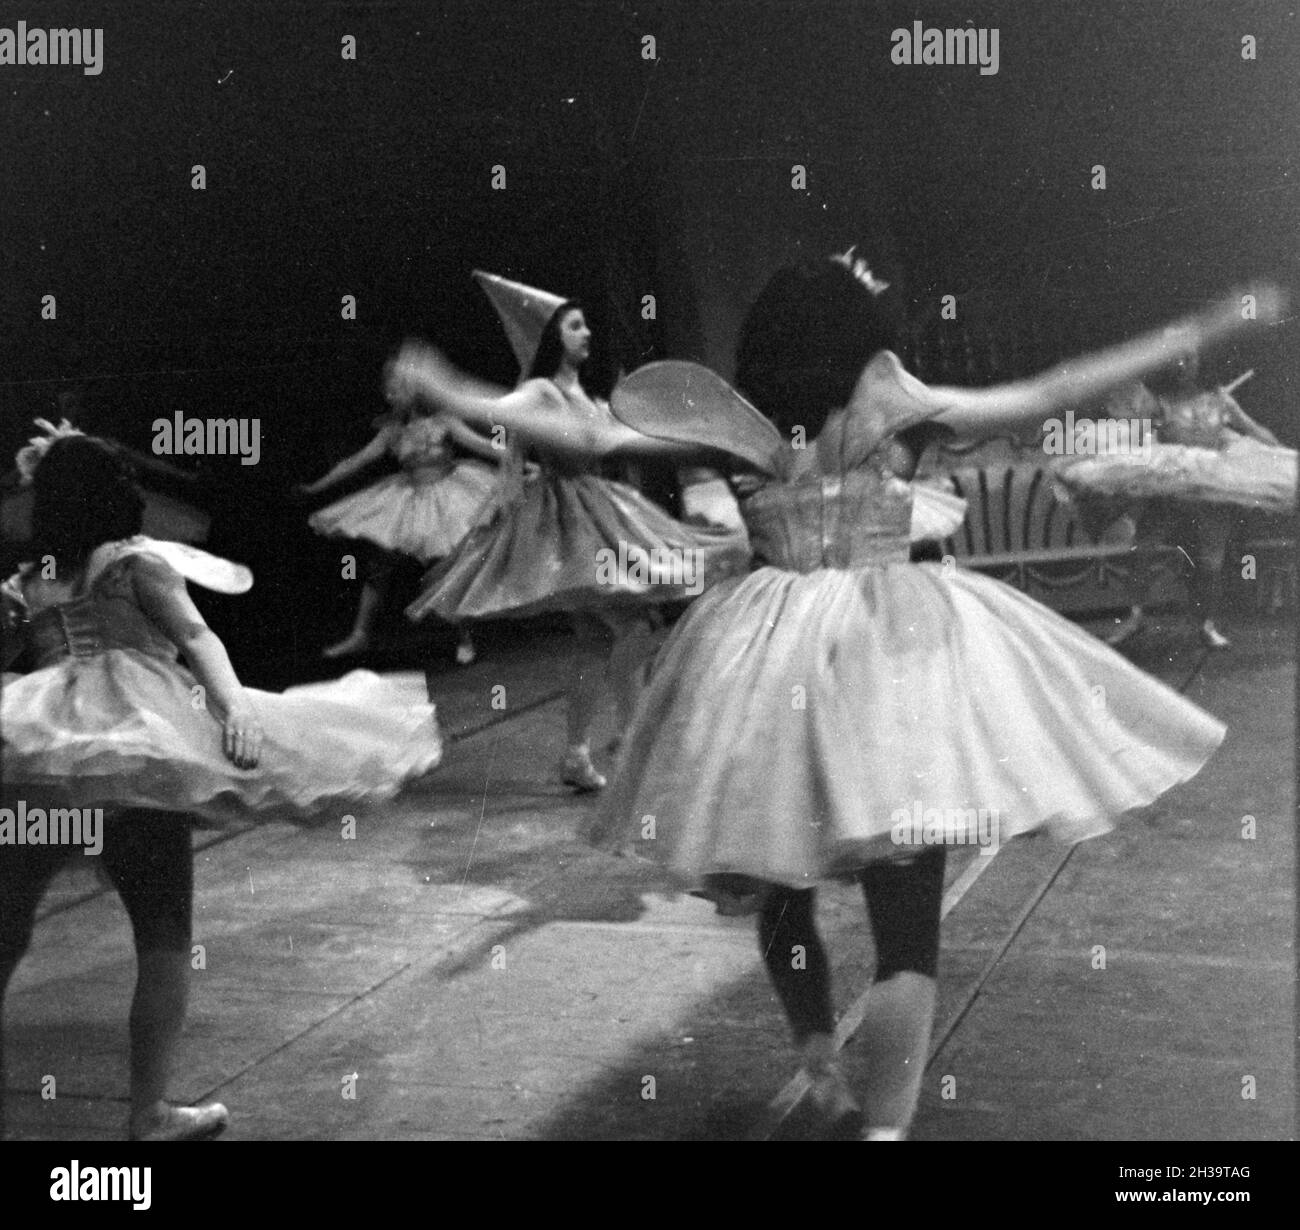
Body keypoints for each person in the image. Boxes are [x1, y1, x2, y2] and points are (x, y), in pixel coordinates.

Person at [502, 254, 1277, 1141]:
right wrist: (1197, 329)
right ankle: (885, 1131)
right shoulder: (896, 403)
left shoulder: (736, 422)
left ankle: (820, 1065)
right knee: (906, 924)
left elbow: (598, 439)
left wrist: (458, 393)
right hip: (891, 657)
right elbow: (1048, 390)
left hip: (764, 659)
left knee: (783, 881)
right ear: (857, 329)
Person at [1, 424, 442, 1141]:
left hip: (43, 757)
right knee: (165, 929)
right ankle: (149, 1113)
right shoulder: (135, 563)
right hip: (142, 749)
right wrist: (235, 709)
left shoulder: (31, 580)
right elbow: (200, 638)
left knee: (8, 925)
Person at [402, 271, 750, 791]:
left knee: (597, 640)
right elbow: (498, 411)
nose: (587, 333)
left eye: (586, 326)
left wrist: (707, 436)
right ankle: (634, 742)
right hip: (569, 525)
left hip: (596, 512)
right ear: (552, 338)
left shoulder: (587, 398)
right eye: (575, 326)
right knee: (633, 626)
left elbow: (619, 438)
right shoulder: (540, 391)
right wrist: (446, 389)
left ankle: (580, 752)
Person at [1057, 354, 1293, 650]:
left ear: (1198, 364)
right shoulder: (1159, 404)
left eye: (1189, 359)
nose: (1182, 365)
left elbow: (1254, 430)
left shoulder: (1219, 401)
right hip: (1168, 491)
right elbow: (1136, 439)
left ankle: (1205, 625)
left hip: (1211, 489)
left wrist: (1284, 456)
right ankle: (1136, 617)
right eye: (1177, 359)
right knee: (1142, 553)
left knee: (1210, 562)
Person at [302, 396, 503, 663]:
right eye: (392, 390)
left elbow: (482, 445)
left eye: (401, 387)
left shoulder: (443, 421)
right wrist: (317, 487)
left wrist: (520, 462)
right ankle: (360, 634)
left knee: (447, 567)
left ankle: (465, 635)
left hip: (450, 496)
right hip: (410, 499)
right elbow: (355, 462)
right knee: (380, 563)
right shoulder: (392, 431)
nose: (395, 395)